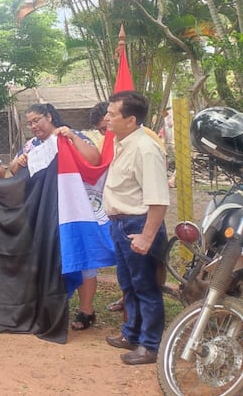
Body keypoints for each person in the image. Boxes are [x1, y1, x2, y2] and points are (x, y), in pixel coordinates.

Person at [8, 103, 101, 329]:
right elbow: (12, 169)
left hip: (73, 209)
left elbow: (94, 159)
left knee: (80, 258)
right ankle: (51, 306)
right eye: (29, 123)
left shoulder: (68, 136)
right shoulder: (31, 145)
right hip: (43, 212)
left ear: (49, 116)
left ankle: (86, 310)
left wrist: (71, 137)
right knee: (49, 259)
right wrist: (18, 162)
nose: (33, 126)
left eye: (37, 120)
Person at [103, 91, 170, 366]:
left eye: (112, 114)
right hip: (121, 225)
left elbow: (159, 200)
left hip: (138, 226)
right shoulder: (124, 143)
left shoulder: (145, 148)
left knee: (146, 288)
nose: (106, 118)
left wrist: (146, 236)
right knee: (129, 286)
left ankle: (150, 345)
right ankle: (132, 334)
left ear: (130, 120)